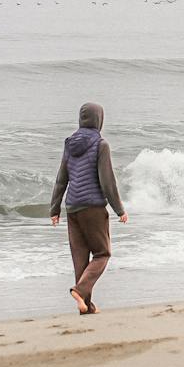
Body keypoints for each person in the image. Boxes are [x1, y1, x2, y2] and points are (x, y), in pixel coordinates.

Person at [49, 101, 126, 314]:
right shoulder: (101, 145)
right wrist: (119, 209)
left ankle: (86, 305)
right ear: (99, 120)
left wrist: (54, 209)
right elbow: (107, 181)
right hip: (92, 207)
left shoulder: (69, 143)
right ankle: (80, 291)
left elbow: (61, 179)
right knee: (102, 253)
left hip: (72, 207)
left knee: (80, 259)